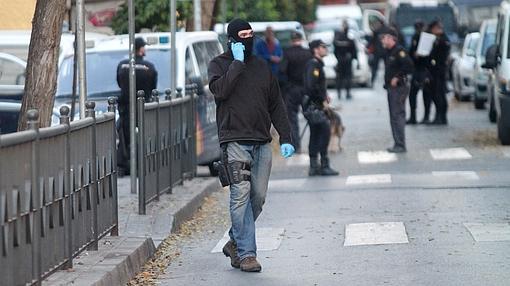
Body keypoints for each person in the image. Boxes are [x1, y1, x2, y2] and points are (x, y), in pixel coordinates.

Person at [208, 19, 294, 273]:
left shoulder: (262, 67)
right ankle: (247, 254)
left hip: (261, 141)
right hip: (234, 139)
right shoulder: (219, 64)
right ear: (232, 40)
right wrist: (236, 64)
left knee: (258, 197)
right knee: (240, 195)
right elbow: (220, 91)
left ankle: (235, 240)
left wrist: (286, 137)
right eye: (242, 35)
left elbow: (276, 104)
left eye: (250, 34)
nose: (247, 39)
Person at [116, 37, 158, 175]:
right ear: (141, 49)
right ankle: (141, 163)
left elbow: (119, 83)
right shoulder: (149, 67)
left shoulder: (122, 65)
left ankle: (123, 164)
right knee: (144, 135)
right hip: (143, 107)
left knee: (123, 135)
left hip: (125, 107)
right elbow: (153, 87)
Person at [303, 39, 339, 176]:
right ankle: (323, 164)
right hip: (314, 106)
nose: (325, 49)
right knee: (324, 131)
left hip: (313, 104)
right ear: (316, 50)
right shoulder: (314, 65)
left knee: (315, 133)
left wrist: (324, 95)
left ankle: (314, 166)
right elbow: (312, 86)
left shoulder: (316, 64)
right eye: (323, 47)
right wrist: (322, 99)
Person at [380, 27, 414, 153]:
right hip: (391, 88)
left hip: (399, 88)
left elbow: (409, 66)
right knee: (394, 116)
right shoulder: (389, 52)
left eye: (384, 37)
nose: (382, 40)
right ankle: (397, 143)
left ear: (391, 38)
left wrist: (398, 77)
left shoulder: (399, 51)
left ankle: (400, 144)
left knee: (397, 115)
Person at [279, 32, 312, 153]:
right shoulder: (308, 53)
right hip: (306, 89)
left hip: (292, 89)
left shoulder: (287, 53)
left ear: (291, 40)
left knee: (292, 119)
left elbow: (282, 70)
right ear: (301, 39)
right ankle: (314, 145)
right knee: (311, 117)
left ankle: (296, 145)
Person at [407, 20, 432, 124]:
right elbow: (410, 52)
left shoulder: (427, 38)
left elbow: (431, 54)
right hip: (416, 69)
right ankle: (413, 116)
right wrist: (414, 56)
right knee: (413, 94)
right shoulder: (415, 37)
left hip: (425, 69)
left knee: (426, 94)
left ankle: (426, 116)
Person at [426, 20, 451, 125]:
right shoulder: (439, 39)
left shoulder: (443, 40)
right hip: (435, 71)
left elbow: (437, 55)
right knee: (437, 94)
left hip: (439, 71)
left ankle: (441, 116)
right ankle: (440, 116)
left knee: (439, 95)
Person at [333, 20, 357, 100]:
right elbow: (354, 51)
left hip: (341, 59)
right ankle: (346, 93)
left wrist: (338, 57)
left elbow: (335, 51)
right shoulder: (349, 39)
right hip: (346, 59)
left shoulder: (338, 39)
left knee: (341, 77)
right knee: (347, 77)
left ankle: (341, 93)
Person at [368, 19, 387, 85]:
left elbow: (371, 41)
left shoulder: (376, 31)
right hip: (385, 51)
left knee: (375, 68)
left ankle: (372, 81)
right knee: (387, 67)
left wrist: (367, 47)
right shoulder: (387, 30)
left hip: (378, 52)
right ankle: (387, 80)